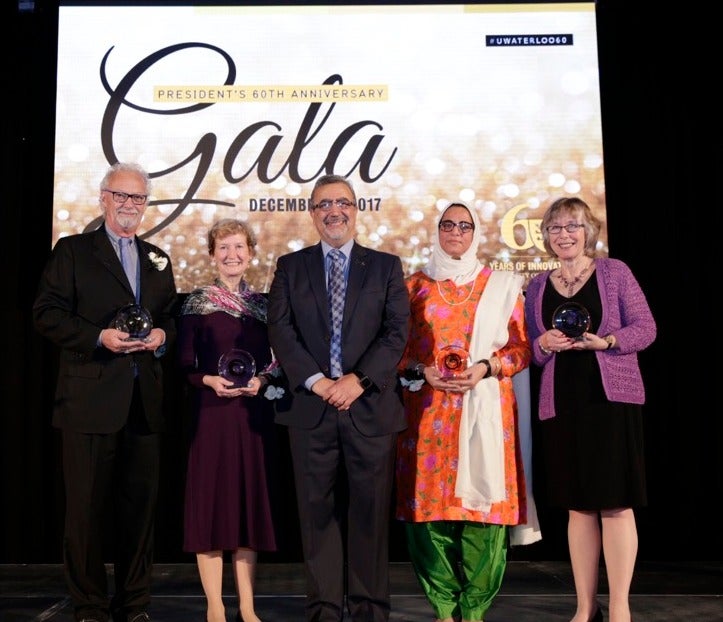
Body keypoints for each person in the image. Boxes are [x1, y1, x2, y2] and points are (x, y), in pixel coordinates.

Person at [33, 162, 178, 622]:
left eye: (138, 198)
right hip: (89, 403)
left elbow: (171, 315)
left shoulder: (158, 257)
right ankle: (90, 606)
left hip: (144, 405)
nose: (130, 205)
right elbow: (46, 313)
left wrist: (163, 337)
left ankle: (135, 604)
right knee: (86, 515)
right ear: (103, 198)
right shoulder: (73, 252)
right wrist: (99, 337)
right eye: (122, 196)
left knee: (141, 515)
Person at [267, 174, 410, 622]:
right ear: (312, 213)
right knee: (317, 516)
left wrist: (357, 380)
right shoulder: (291, 267)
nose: (335, 210)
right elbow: (281, 331)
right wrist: (318, 381)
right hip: (311, 409)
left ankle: (370, 609)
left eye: (343, 202)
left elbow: (396, 333)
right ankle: (325, 609)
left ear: (356, 209)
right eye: (324, 203)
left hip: (368, 408)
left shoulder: (385, 266)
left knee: (369, 515)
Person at [394, 201, 540, 622]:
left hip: (485, 411)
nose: (455, 231)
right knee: (427, 516)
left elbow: (521, 348)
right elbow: (396, 352)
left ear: (475, 233)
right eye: (448, 224)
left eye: (464, 225)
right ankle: (444, 608)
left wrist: (485, 368)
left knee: (482, 514)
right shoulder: (412, 288)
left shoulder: (501, 285)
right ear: (437, 231)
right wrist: (422, 370)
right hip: (427, 415)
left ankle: (474, 611)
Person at [524, 197, 656, 622]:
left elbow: (646, 327)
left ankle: (619, 607)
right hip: (562, 403)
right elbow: (532, 350)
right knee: (577, 506)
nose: (564, 234)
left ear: (588, 231)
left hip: (610, 402)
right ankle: (584, 607)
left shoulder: (614, 272)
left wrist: (609, 342)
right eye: (555, 228)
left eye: (572, 226)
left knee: (615, 504)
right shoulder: (539, 286)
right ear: (545, 236)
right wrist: (543, 344)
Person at [177, 218, 283, 622]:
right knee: (211, 508)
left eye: (239, 247)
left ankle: (249, 607)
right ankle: (215, 608)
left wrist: (263, 380)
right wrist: (208, 380)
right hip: (211, 417)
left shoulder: (265, 307)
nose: (232, 255)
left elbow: (278, 361)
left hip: (252, 419)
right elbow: (184, 364)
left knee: (247, 508)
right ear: (211, 255)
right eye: (223, 248)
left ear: (251, 254)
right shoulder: (196, 304)